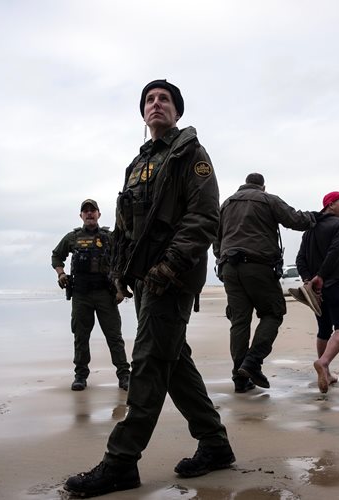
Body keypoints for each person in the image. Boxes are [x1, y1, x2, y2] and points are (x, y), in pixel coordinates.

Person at [64, 80, 234, 497]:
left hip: (172, 277)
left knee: (149, 361)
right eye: (150, 100)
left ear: (177, 110)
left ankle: (121, 461)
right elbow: (125, 225)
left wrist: (170, 264)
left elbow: (204, 217)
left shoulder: (190, 154)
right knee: (173, 360)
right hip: (143, 279)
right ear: (143, 112)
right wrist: (119, 271)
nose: (156, 104)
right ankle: (214, 444)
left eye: (165, 99)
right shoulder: (139, 163)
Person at [213, 173, 315, 392]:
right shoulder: (267, 199)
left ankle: (240, 379)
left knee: (239, 322)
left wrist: (221, 258)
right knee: (273, 313)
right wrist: (316, 217)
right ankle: (252, 362)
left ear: (244, 184)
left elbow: (216, 237)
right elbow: (296, 220)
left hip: (229, 267)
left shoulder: (226, 204)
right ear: (263, 186)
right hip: (258, 265)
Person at [51, 199, 130, 391]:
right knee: (81, 337)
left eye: (92, 210)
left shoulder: (109, 237)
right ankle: (80, 376)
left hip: (106, 294)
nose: (89, 213)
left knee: (114, 336)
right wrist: (61, 274)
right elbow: (56, 256)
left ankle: (124, 375)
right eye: (85, 211)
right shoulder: (72, 237)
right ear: (81, 216)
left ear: (98, 214)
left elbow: (122, 259)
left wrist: (120, 288)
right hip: (81, 295)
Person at [294, 191, 339, 394]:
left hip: (316, 289)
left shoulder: (309, 229)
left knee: (324, 329)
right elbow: (335, 252)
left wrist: (308, 279)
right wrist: (321, 276)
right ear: (330, 204)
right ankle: (324, 362)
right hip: (335, 282)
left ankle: (326, 373)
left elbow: (300, 258)